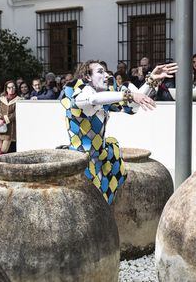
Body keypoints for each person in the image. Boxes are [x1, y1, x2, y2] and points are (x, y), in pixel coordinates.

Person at [61, 60, 178, 204]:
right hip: (81, 162)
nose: (106, 75)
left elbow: (133, 103)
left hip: (102, 159)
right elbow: (93, 99)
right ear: (88, 77)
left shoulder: (104, 96)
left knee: (103, 206)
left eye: (105, 71)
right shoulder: (77, 92)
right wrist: (130, 96)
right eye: (100, 71)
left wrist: (151, 80)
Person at [0, 80, 19, 154]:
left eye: (13, 87)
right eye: (9, 87)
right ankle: (1, 164)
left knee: (4, 150)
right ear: (6, 89)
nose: (11, 89)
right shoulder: (1, 98)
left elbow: (16, 113)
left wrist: (4, 120)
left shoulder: (19, 99)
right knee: (1, 148)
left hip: (11, 127)